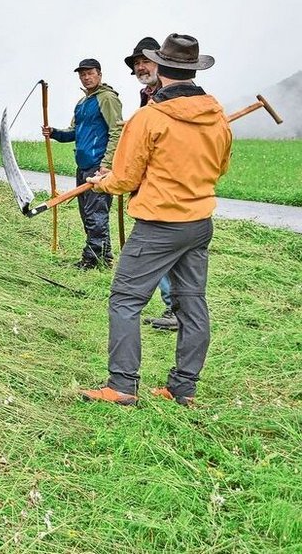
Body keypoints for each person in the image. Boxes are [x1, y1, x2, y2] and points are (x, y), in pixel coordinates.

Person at [80, 34, 232, 407]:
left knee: (125, 300)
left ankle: (121, 385)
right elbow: (220, 167)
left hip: (159, 224)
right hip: (199, 223)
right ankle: (183, 389)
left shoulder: (149, 118)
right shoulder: (218, 117)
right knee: (192, 302)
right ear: (193, 71)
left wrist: (102, 184)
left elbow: (125, 178)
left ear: (161, 68)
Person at [43, 58, 123, 269]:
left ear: (99, 74)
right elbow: (74, 132)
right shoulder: (82, 103)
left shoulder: (107, 98)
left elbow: (117, 131)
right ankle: (102, 257)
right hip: (83, 166)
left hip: (99, 166)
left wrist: (107, 164)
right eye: (82, 74)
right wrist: (55, 134)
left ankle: (92, 260)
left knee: (96, 215)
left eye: (90, 73)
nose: (86, 77)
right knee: (87, 215)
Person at [126, 36, 177, 331]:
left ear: (161, 63)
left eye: (146, 61)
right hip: (150, 184)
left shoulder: (172, 94)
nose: (141, 67)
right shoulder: (147, 95)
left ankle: (174, 309)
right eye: (137, 63)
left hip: (168, 185)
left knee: (162, 250)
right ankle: (175, 309)